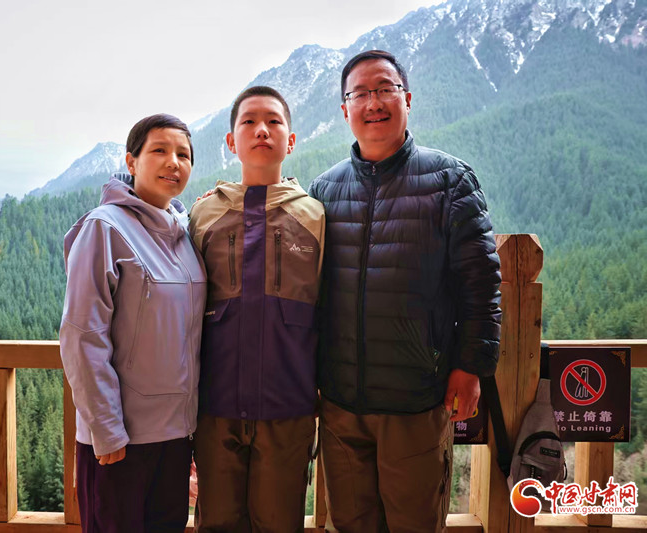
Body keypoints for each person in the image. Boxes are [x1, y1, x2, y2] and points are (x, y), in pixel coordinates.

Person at [308, 50, 502, 533]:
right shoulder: (324, 191)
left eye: (384, 89)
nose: (373, 102)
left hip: (416, 399)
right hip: (340, 403)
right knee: (350, 523)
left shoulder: (449, 180)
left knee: (414, 523)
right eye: (360, 93)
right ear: (345, 109)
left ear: (407, 99)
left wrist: (470, 367)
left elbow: (481, 283)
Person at [60, 114, 206, 533]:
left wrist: (193, 435)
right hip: (120, 442)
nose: (173, 162)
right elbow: (83, 337)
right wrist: (106, 429)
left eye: (183, 155)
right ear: (131, 161)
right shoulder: (104, 228)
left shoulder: (185, 236)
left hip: (175, 439)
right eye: (159, 150)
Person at [189, 86, 325, 533]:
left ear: (291, 140)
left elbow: (328, 309)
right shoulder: (203, 216)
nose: (261, 130)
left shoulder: (315, 216)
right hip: (215, 407)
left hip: (289, 406)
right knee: (216, 522)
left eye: (273, 121)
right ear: (231, 141)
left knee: (280, 523)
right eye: (248, 122)